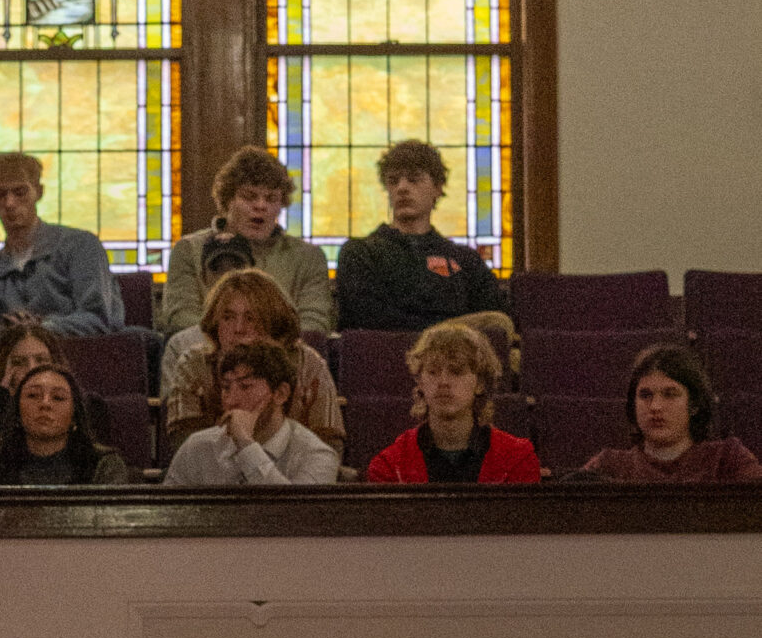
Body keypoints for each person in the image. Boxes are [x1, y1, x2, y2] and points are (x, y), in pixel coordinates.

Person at [162, 269, 343, 457]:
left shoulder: (308, 364)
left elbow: (330, 447)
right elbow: (185, 450)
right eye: (228, 318)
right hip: (214, 479)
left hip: (294, 478)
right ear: (215, 323)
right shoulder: (194, 364)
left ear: (274, 323)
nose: (239, 329)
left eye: (251, 318)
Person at [335, 142, 507, 332]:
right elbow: (367, 318)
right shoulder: (361, 253)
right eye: (393, 181)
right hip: (389, 351)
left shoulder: (465, 260)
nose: (402, 188)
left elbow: (496, 317)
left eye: (414, 179)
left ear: (437, 188)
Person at [163, 148, 332, 339]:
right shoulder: (190, 250)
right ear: (228, 201)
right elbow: (182, 319)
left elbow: (314, 324)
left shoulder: (307, 257)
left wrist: (261, 349)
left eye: (271, 198)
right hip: (208, 358)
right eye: (249, 197)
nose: (261, 206)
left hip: (282, 361)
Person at [368, 320, 541, 484]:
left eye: (456, 372)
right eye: (433, 372)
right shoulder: (390, 465)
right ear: (420, 382)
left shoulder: (517, 459)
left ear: (480, 383)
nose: (443, 382)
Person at [0, 152, 124, 337]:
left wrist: (40, 328)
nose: (10, 203)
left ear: (39, 192)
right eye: (0, 194)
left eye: (20, 192)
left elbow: (100, 319)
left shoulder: (80, 247)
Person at [163, 340, 342, 489]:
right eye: (226, 388)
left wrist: (247, 446)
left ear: (280, 394)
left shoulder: (316, 456)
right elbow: (167, 521)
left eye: (246, 387)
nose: (231, 401)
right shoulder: (198, 448)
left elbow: (293, 519)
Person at [579, 343, 762, 483]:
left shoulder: (727, 460)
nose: (655, 406)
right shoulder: (608, 467)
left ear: (694, 404)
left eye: (670, 394)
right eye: (645, 395)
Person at [0, 318, 113, 472]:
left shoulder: (91, 406)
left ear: (56, 363)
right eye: (19, 363)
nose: (32, 369)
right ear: (6, 371)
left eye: (41, 360)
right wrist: (1, 397)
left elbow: (100, 463)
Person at [0, 365, 128, 487]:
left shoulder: (104, 465)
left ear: (74, 417)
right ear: (17, 412)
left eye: (58, 398)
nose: (45, 404)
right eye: (33, 395)